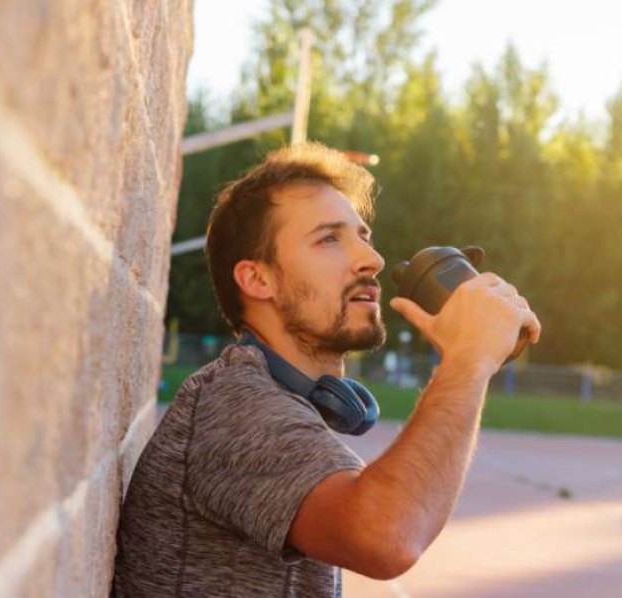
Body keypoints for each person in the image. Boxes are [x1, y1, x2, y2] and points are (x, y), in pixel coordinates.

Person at [113, 142, 541, 597]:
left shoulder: (278, 399)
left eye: (364, 237)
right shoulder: (234, 404)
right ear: (259, 280)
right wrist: (467, 360)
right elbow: (386, 536)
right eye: (329, 239)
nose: (371, 260)